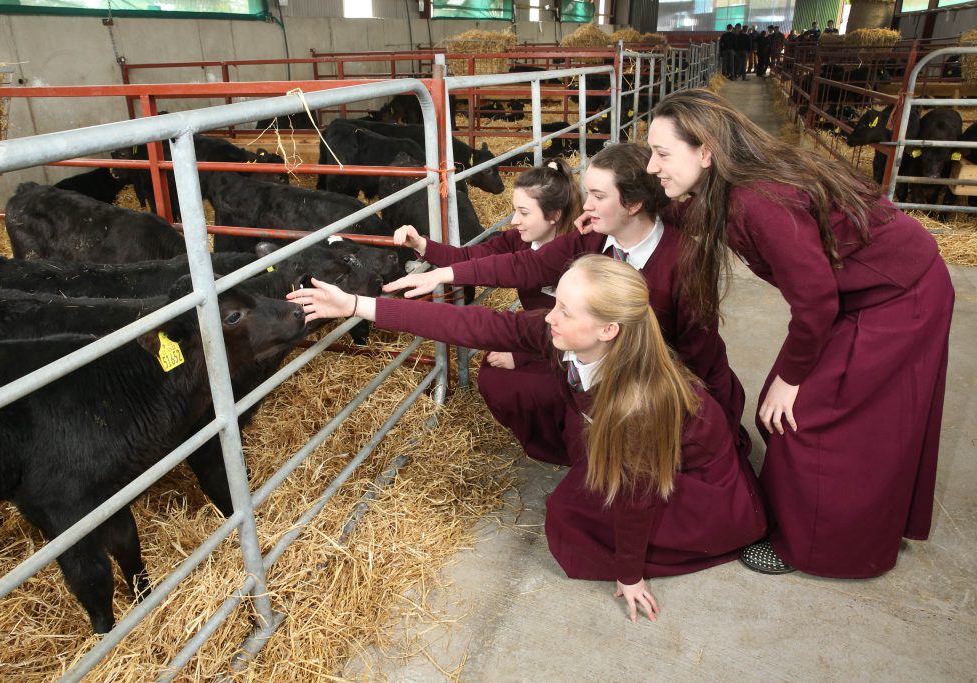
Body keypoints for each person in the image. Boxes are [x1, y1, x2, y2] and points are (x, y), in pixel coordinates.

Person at [289, 255, 768, 621]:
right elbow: (476, 325)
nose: (550, 316)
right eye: (556, 301)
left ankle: (709, 533)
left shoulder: (640, 405)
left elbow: (636, 498)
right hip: (628, 451)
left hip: (695, 486)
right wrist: (357, 306)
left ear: (607, 329)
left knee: (568, 518)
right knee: (532, 408)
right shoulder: (574, 338)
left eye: (565, 310)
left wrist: (629, 573)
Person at [646, 89, 954, 578]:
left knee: (802, 418)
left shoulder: (757, 200)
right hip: (863, 293)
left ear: (706, 151)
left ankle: (813, 546)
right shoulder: (730, 184)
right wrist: (633, 210)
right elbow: (699, 215)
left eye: (662, 153)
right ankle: (857, 518)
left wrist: (791, 380)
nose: (652, 166)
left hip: (898, 297)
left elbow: (815, 302)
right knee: (807, 413)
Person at [386, 143, 750, 458]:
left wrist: (700, 421)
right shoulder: (592, 239)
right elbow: (524, 266)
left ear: (634, 204)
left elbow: (698, 353)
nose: (586, 206)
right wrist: (442, 273)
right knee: (506, 381)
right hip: (596, 369)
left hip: (654, 388)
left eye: (598, 196)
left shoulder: (684, 262)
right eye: (587, 193)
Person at [393, 158, 582, 465]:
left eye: (524, 212)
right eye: (514, 210)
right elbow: (469, 257)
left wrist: (521, 356)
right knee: (493, 373)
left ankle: (566, 447)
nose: (514, 220)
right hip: (538, 335)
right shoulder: (519, 241)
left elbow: (583, 328)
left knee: (515, 384)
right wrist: (423, 245)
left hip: (573, 351)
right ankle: (548, 439)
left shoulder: (575, 254)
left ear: (554, 215)